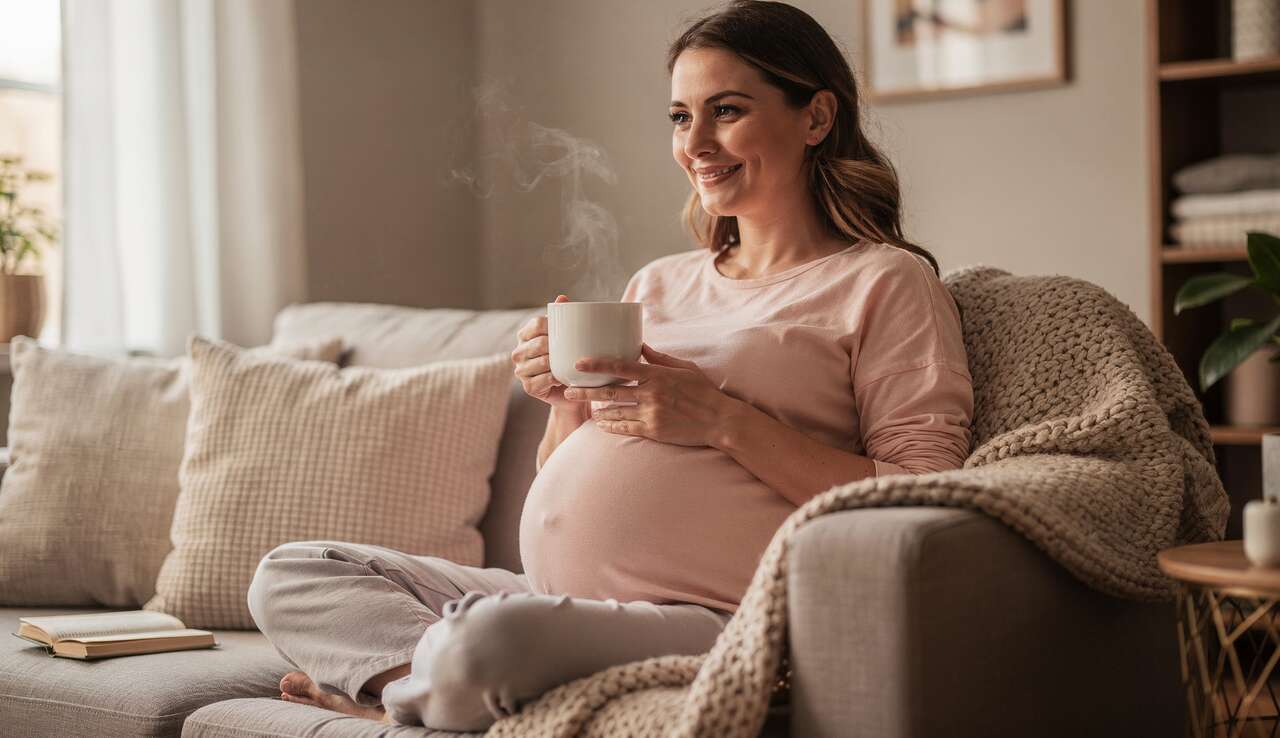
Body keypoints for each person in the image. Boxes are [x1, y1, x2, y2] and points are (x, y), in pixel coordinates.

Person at [246, 0, 973, 730]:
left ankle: (400, 690)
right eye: (681, 118)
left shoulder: (883, 281)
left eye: (726, 110)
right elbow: (565, 474)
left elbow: (925, 495)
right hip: (551, 595)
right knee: (293, 572)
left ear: (815, 118)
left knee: (492, 639)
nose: (697, 144)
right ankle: (431, 680)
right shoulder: (658, 283)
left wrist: (722, 421)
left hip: (722, 613)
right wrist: (567, 400)